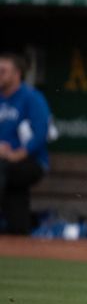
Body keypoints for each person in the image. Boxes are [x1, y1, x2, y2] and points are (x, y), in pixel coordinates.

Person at [0, 53, 51, 235]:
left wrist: (16, 154)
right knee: (15, 197)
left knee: (3, 169)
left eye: (3, 71)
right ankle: (18, 232)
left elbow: (41, 133)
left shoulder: (31, 97)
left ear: (17, 74)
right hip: (5, 163)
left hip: (30, 161)